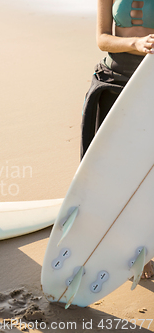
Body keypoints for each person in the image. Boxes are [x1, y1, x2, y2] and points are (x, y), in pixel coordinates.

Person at [80, 0, 154, 278]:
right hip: (113, 80)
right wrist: (135, 44)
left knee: (145, 172)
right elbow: (102, 39)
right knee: (111, 170)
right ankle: (112, 241)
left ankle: (143, 249)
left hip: (150, 80)